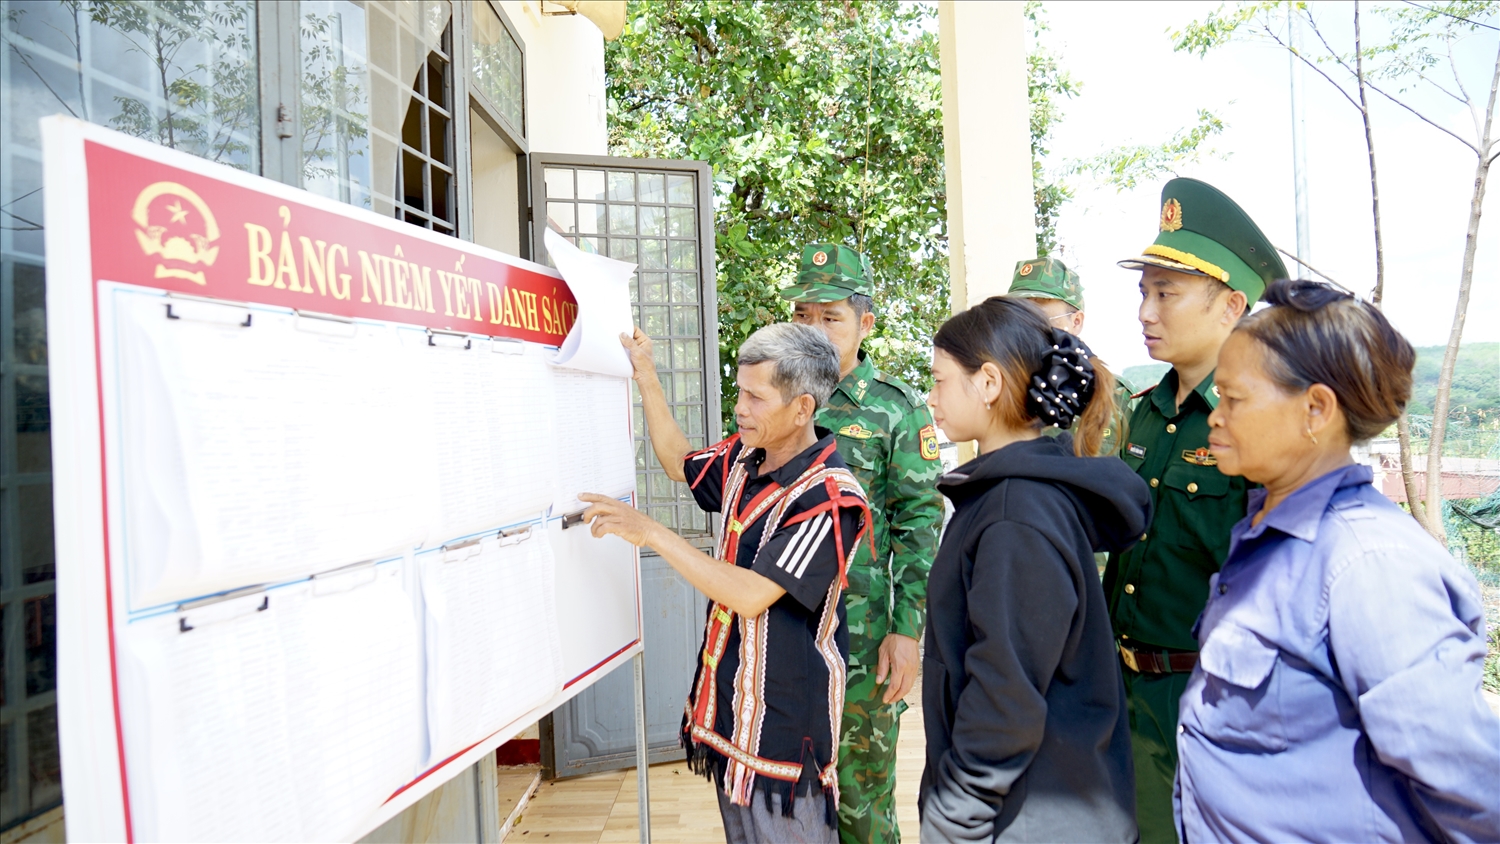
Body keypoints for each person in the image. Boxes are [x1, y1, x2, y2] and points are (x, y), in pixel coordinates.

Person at [1177, 279, 1500, 842]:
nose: (1215, 415)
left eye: (1234, 398)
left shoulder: (1368, 565)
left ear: (1316, 408)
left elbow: (1469, 787)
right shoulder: (1266, 534)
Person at [582, 322, 869, 844]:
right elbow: (676, 460)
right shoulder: (743, 457)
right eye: (741, 391)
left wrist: (652, 534)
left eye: (757, 398)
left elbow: (750, 594)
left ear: (802, 408)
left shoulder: (828, 499)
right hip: (733, 708)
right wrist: (645, 372)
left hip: (783, 725)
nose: (741, 408)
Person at [918, 296, 1151, 843]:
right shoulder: (1018, 496)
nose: (931, 398)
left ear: (989, 383)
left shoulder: (1014, 513)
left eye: (941, 379)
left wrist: (954, 817)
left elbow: (1006, 692)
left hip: (1032, 817)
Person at [1103, 177, 1286, 843]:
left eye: (1166, 294)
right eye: (1144, 294)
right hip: (1125, 695)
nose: (1146, 312)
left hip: (1212, 703)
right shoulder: (1146, 412)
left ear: (1231, 305)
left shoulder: (1261, 425)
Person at [783, 243, 943, 844]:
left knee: (861, 800)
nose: (816, 331)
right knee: (787, 795)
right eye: (805, 316)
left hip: (862, 641)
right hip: (787, 631)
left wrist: (906, 633)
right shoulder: (775, 399)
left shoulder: (895, 411)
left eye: (832, 317)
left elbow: (920, 527)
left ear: (865, 323)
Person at [1006, 256, 1136, 456]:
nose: (1027, 330)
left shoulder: (1119, 399)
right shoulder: (1005, 396)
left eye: (1039, 318)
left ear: (1076, 322)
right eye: (1018, 318)